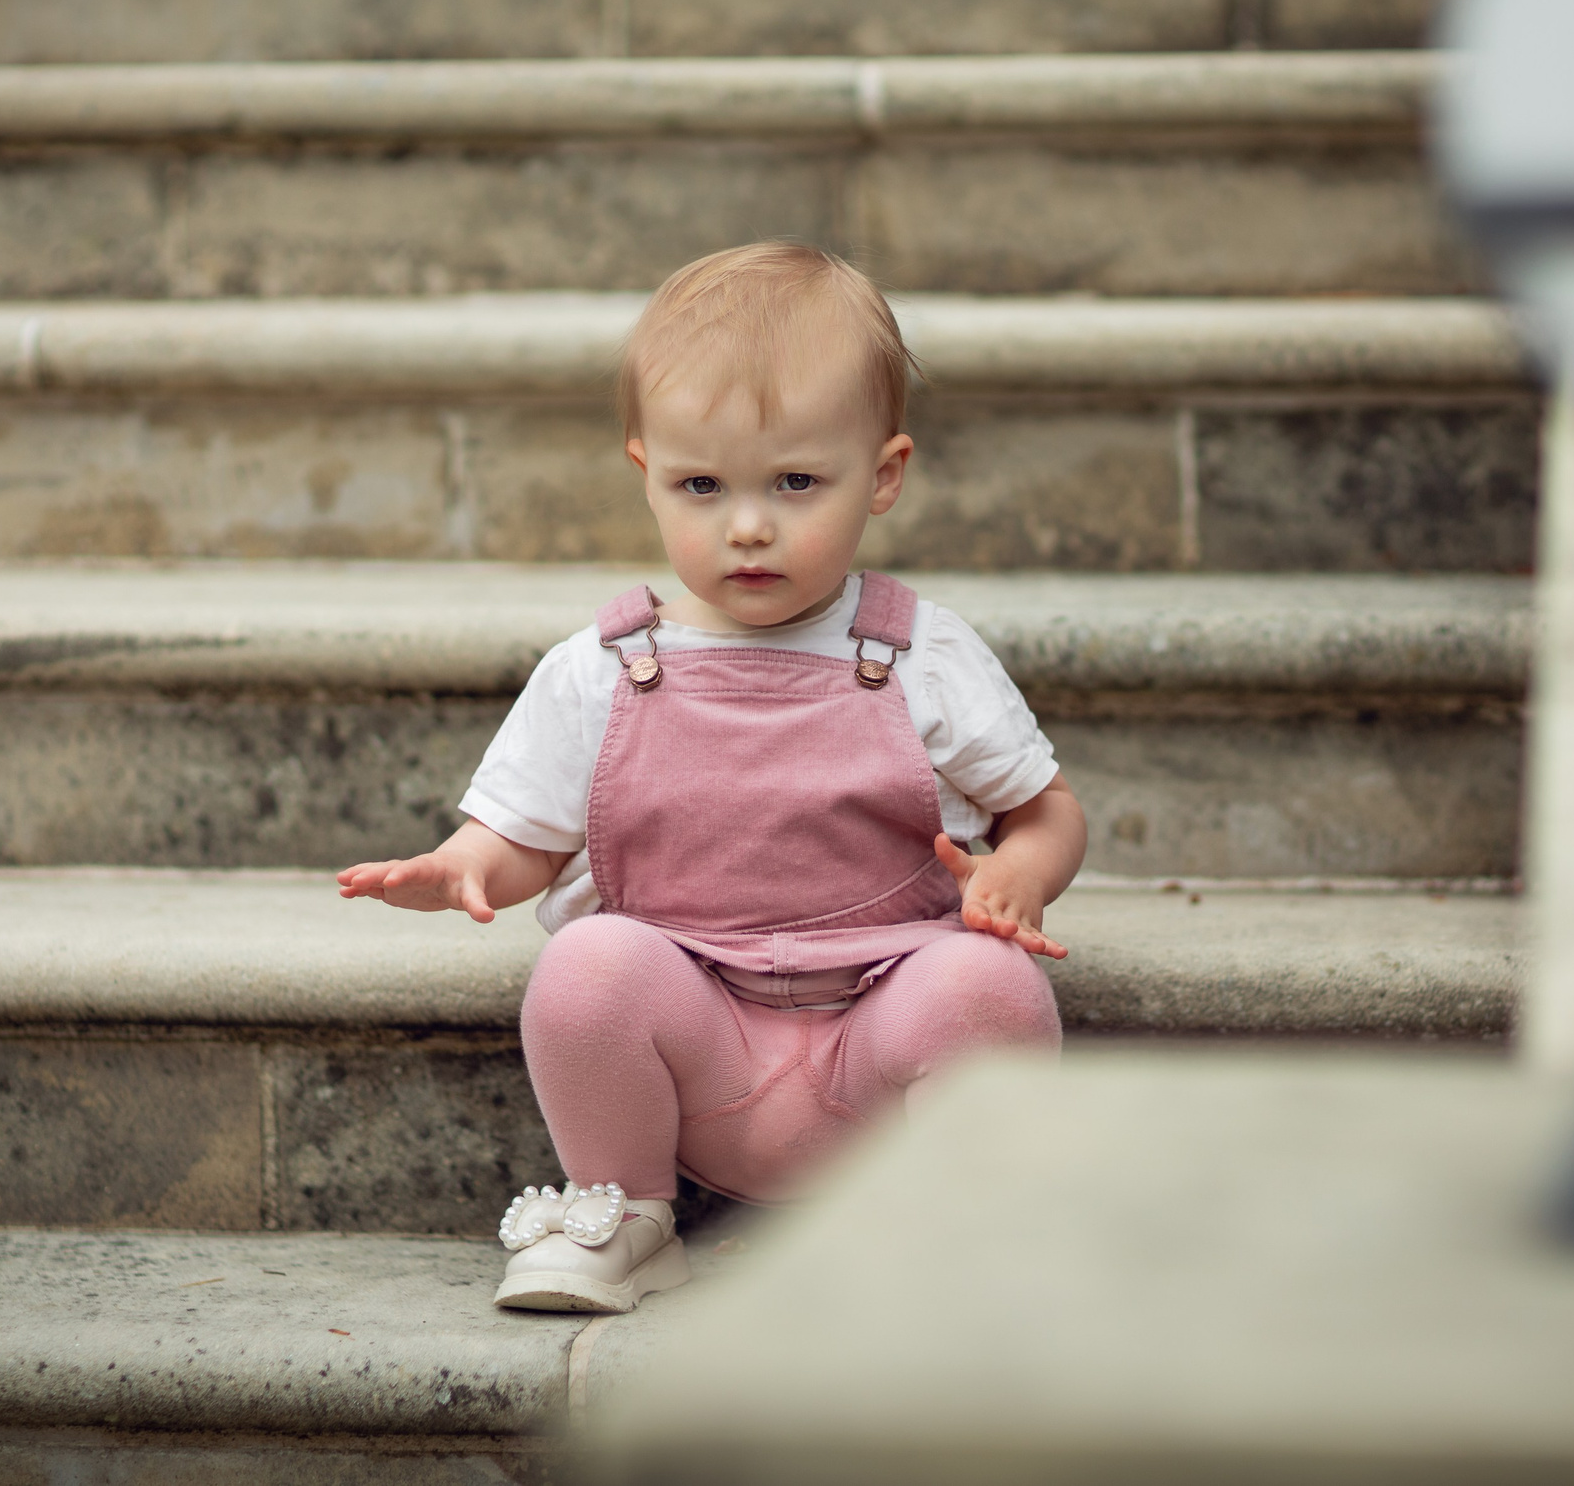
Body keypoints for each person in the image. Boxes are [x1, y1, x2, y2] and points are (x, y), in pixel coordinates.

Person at [337, 242, 1084, 1313]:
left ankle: (960, 1217)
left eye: (795, 482)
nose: (747, 524)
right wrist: (462, 866)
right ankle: (628, 1214)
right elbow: (528, 836)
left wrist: (1022, 875)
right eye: (702, 485)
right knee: (589, 964)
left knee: (989, 988)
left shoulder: (921, 654)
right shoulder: (601, 669)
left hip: (879, 1038)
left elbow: (1045, 811)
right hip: (704, 1057)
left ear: (882, 475)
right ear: (646, 473)